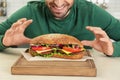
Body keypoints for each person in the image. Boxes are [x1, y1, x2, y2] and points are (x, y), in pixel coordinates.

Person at [0, 0, 120, 57]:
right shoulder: (30, 12)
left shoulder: (92, 12)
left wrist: (113, 49)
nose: (58, 3)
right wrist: (4, 42)